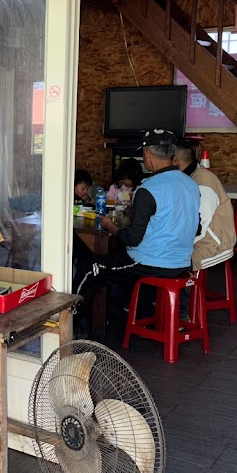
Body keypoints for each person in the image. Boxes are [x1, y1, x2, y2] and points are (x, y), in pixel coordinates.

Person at [73, 129, 200, 336]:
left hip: (152, 262)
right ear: (173, 154)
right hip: (183, 262)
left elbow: (132, 239)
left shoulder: (148, 189)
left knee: (90, 267)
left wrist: (110, 226)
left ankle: (73, 328)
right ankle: (141, 313)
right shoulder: (191, 184)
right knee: (113, 266)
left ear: (148, 154)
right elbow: (197, 227)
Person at [174, 140, 236, 271]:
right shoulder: (190, 176)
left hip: (212, 245)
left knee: (165, 262)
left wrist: (176, 244)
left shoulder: (202, 181)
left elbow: (201, 222)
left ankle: (179, 290)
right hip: (202, 240)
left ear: (175, 161)